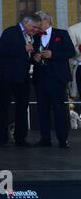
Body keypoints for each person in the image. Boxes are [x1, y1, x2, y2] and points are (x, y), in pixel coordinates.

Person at [0, 13, 42, 147]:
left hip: (23, 77)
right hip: (6, 77)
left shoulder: (34, 36)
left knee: (22, 108)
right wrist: (22, 48)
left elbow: (30, 54)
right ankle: (2, 137)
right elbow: (2, 51)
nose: (35, 30)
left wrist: (35, 57)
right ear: (26, 22)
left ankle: (20, 138)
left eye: (37, 28)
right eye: (34, 27)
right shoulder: (10, 32)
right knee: (4, 107)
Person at [32, 11, 75, 148]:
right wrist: (35, 57)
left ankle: (63, 139)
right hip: (40, 77)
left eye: (38, 21)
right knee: (42, 109)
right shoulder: (35, 37)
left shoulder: (61, 34)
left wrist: (53, 54)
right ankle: (45, 139)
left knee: (59, 109)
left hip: (57, 77)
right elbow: (32, 53)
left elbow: (71, 52)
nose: (36, 24)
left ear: (46, 21)